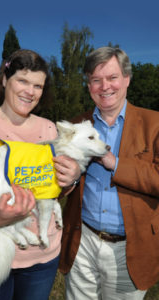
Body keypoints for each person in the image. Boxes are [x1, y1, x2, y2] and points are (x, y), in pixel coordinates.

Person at [0, 49, 80, 300]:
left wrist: (70, 180)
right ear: (5, 79)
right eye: (22, 80)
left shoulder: (48, 128)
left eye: (38, 85)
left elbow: (53, 190)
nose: (30, 91)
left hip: (42, 259)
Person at [59, 46, 159, 300]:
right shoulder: (77, 126)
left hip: (130, 248)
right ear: (89, 85)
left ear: (127, 78)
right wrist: (66, 181)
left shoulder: (154, 123)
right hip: (82, 240)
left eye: (112, 78)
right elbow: (60, 185)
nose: (105, 87)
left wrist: (114, 162)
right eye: (96, 80)